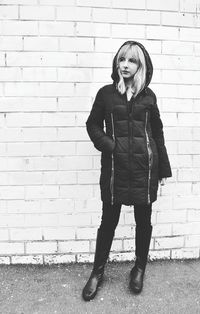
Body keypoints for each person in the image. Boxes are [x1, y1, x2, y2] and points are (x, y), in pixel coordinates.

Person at [82, 41, 172, 301]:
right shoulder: (106, 94)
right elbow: (92, 125)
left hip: (145, 170)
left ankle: (139, 268)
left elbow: (157, 133)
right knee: (108, 222)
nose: (125, 64)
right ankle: (97, 272)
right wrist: (110, 146)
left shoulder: (149, 96)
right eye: (122, 59)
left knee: (143, 221)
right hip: (115, 169)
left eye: (131, 60)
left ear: (140, 65)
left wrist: (163, 169)